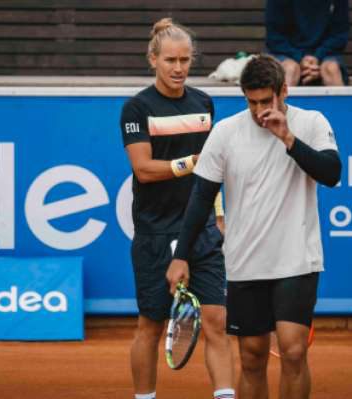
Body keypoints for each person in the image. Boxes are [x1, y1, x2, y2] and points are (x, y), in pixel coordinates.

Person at [167, 55, 342, 399]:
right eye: (252, 102)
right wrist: (181, 255)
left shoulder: (311, 122)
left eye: (266, 101)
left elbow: (332, 173)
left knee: (293, 350)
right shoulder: (225, 132)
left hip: (297, 259)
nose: (259, 110)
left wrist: (287, 138)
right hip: (245, 261)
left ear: (284, 91)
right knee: (251, 357)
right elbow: (201, 198)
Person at [119, 18, 235, 399]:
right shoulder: (136, 109)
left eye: (185, 60)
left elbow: (212, 174)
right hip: (155, 233)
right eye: (170, 60)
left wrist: (218, 216)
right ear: (153, 59)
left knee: (216, 321)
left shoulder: (203, 103)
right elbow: (143, 169)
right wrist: (192, 163)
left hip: (200, 229)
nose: (179, 68)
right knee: (150, 327)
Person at [265, 0, 350, 86]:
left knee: (331, 69)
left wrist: (317, 57)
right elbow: (274, 37)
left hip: (325, 55)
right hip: (287, 54)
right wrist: (299, 58)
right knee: (290, 69)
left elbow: (339, 35)